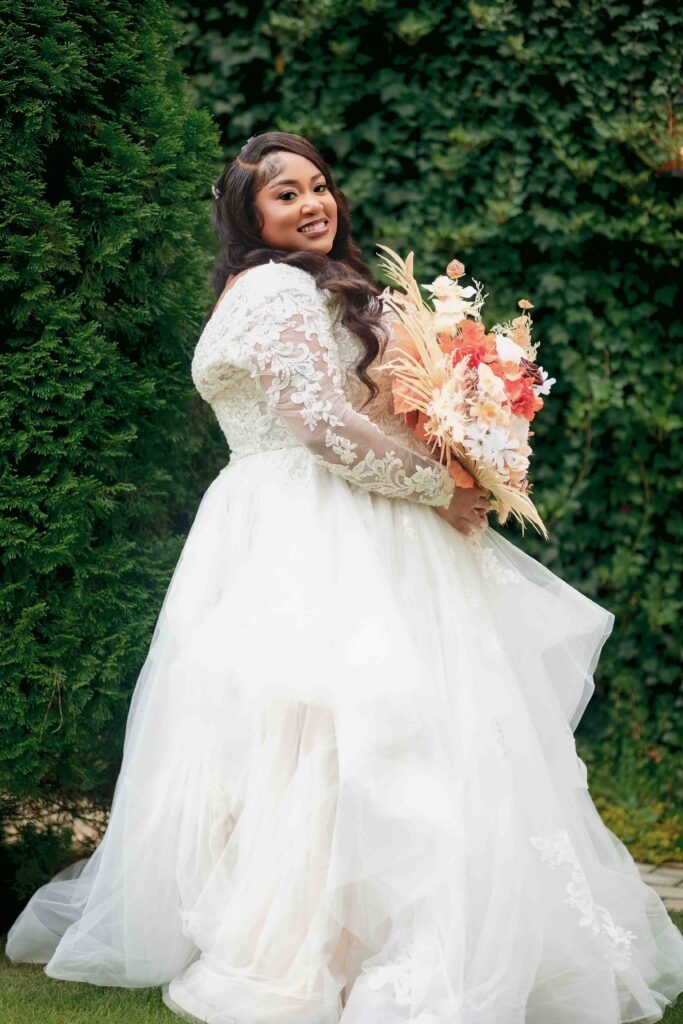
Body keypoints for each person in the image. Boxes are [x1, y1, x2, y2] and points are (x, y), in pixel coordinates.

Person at [6, 131, 683, 1024]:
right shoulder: (279, 289)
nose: (313, 203)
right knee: (320, 731)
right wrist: (441, 484)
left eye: (319, 186)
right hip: (305, 521)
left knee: (330, 733)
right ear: (247, 213)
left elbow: (345, 413)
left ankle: (343, 937)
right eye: (286, 193)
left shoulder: (288, 289)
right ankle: (322, 941)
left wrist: (459, 438)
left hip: (304, 521)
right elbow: (319, 425)